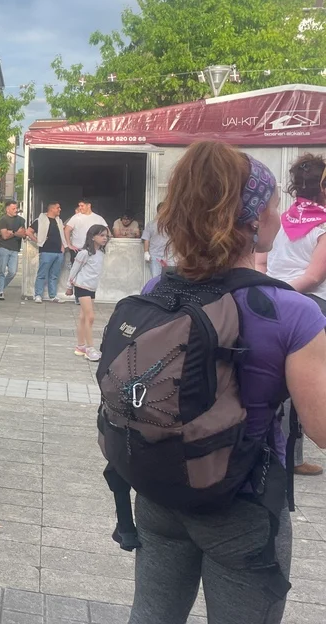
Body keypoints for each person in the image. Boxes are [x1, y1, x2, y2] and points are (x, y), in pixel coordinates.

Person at [126, 140, 326, 624]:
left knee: (151, 614)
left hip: (160, 489)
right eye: (273, 205)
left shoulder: (158, 290)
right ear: (253, 219)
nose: (278, 216)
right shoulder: (292, 312)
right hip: (243, 505)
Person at [257, 153, 326, 477]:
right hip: (312, 307)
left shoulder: (281, 220)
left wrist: (272, 293)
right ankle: (292, 457)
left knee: (276, 382)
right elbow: (314, 276)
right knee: (304, 385)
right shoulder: (323, 225)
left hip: (274, 303)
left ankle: (276, 450)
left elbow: (261, 263)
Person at [66, 224, 109, 362]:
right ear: (92, 237)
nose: (105, 238)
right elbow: (74, 269)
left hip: (91, 288)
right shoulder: (84, 253)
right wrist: (69, 286)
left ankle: (80, 346)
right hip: (82, 286)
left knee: (83, 317)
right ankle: (90, 348)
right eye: (101, 235)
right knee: (90, 317)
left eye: (106, 236)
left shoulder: (101, 253)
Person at [29, 201, 67, 303]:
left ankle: (53, 296)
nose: (60, 209)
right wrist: (38, 240)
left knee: (54, 275)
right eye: (58, 207)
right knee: (42, 274)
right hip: (46, 251)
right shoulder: (40, 220)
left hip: (58, 252)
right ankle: (38, 295)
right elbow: (29, 231)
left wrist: (63, 247)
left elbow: (62, 235)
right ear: (52, 209)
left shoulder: (59, 221)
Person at [0, 200, 26, 299]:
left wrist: (12, 232)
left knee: (13, 272)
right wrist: (16, 232)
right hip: (3, 248)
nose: (16, 210)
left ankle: (0, 288)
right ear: (7, 209)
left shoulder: (21, 220)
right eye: (13, 208)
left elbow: (23, 234)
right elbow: (4, 236)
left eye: (16, 208)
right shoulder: (3, 220)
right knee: (1, 271)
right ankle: (0, 292)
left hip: (15, 249)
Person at [142, 202, 172, 278]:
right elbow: (146, 239)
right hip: (155, 255)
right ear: (159, 211)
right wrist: (146, 253)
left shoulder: (172, 224)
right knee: (156, 278)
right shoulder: (151, 224)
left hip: (169, 255)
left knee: (169, 278)